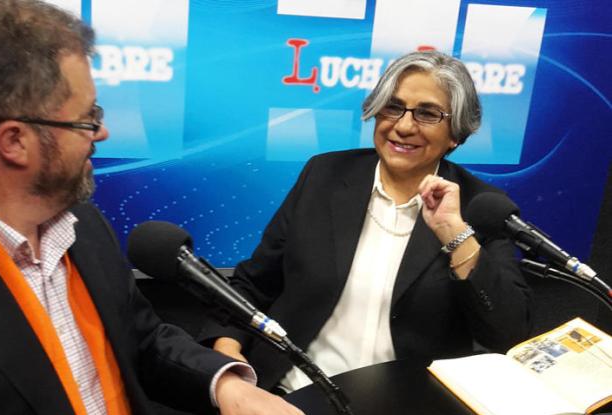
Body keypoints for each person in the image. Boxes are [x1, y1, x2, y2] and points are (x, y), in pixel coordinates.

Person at [0, 1, 321, 415]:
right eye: (87, 119)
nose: (103, 132)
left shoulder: (83, 225)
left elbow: (141, 338)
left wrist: (225, 384)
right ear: (14, 141)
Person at [207, 50, 533, 392]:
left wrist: (456, 233)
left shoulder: (480, 208)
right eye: (393, 107)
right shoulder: (324, 175)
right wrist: (228, 356)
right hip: (291, 393)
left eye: (427, 114)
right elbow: (254, 283)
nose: (404, 126)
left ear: (456, 133)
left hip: (408, 410)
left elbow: (508, 334)